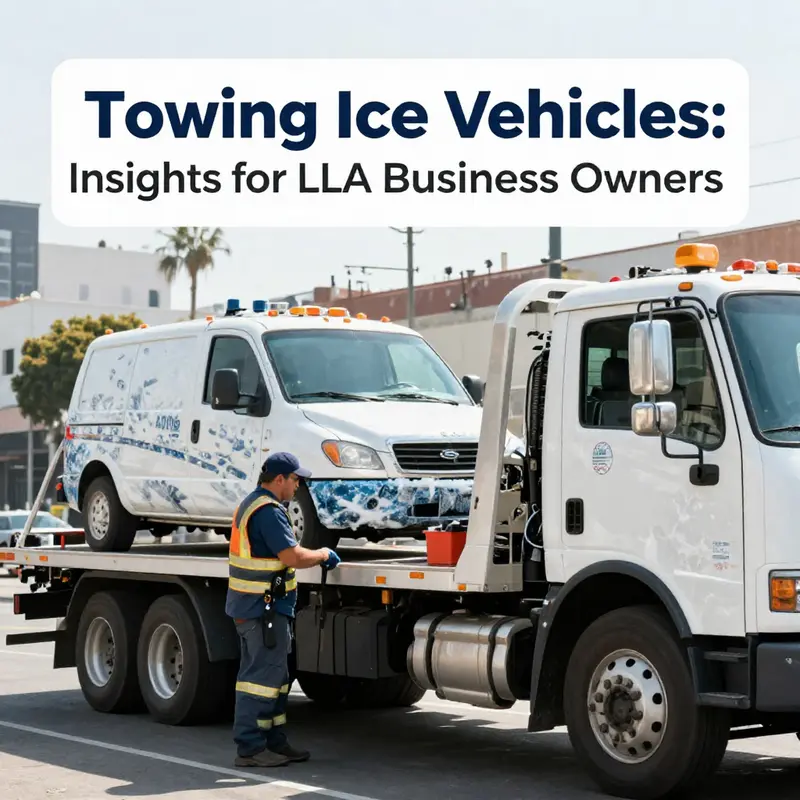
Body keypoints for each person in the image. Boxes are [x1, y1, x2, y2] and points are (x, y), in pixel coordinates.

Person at [226, 451, 340, 768]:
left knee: (275, 677)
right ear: (279, 480)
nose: (298, 484)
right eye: (294, 479)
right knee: (260, 678)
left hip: (261, 609)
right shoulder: (267, 511)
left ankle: (274, 742)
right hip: (261, 610)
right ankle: (250, 748)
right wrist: (322, 554)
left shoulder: (254, 504)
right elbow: (291, 557)